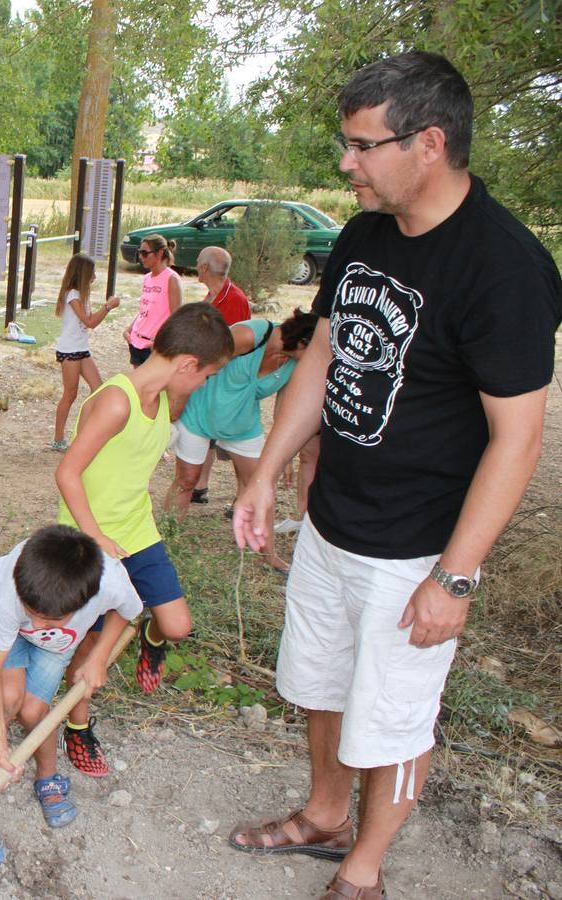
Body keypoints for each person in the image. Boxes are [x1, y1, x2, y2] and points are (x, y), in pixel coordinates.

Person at [228, 52, 560, 900]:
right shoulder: (364, 234)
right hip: (335, 521)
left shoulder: (506, 268)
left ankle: (363, 871)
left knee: (397, 716)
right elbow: (325, 357)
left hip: (417, 549)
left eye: (362, 145)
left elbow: (516, 441)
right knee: (320, 684)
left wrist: (454, 577)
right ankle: (325, 814)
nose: (347, 163)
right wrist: (266, 471)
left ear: (430, 142)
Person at [54, 304, 232, 775]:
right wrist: (96, 539)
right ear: (187, 364)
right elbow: (67, 472)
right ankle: (78, 728)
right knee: (89, 653)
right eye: (207, 376)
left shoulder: (167, 401)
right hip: (87, 537)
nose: (204, 385)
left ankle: (148, 634)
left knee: (176, 625)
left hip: (136, 530)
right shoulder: (118, 400)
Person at [0, 524, 142, 867]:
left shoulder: (110, 582)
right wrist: (1, 746)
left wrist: (98, 657)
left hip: (59, 645)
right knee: (8, 700)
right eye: (34, 615)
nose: (38, 625)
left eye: (51, 618)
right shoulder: (11, 595)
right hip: (10, 634)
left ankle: (47, 777)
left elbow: (129, 613)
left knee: (34, 712)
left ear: (86, 600)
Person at [165, 311, 320, 572]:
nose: (319, 360)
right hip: (200, 413)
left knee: (261, 483)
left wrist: (284, 453)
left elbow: (285, 405)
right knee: (186, 481)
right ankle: (166, 544)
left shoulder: (296, 364)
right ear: (303, 342)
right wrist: (173, 406)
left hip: (242, 423)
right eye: (318, 351)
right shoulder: (251, 335)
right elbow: (200, 361)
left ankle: (268, 553)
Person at [187, 246, 252, 505]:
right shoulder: (213, 297)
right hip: (210, 378)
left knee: (234, 442)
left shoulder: (234, 299)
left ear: (204, 268)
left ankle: (243, 497)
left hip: (228, 381)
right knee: (207, 432)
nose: (196, 267)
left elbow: (234, 346)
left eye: (197, 263)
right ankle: (200, 486)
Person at [51, 253, 119, 450]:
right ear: (83, 273)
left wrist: (105, 308)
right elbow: (90, 322)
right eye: (92, 272)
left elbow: (90, 322)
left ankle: (87, 433)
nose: (94, 276)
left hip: (81, 349)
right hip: (70, 350)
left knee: (99, 389)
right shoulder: (72, 295)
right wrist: (108, 306)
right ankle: (58, 439)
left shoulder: (81, 295)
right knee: (70, 394)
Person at [124, 233, 183, 367]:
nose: (141, 257)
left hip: (154, 347)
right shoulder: (147, 278)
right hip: (136, 342)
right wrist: (129, 330)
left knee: (154, 387)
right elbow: (145, 309)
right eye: (140, 252)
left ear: (160, 253)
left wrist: (159, 343)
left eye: (145, 253)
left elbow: (177, 317)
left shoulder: (171, 279)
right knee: (139, 387)